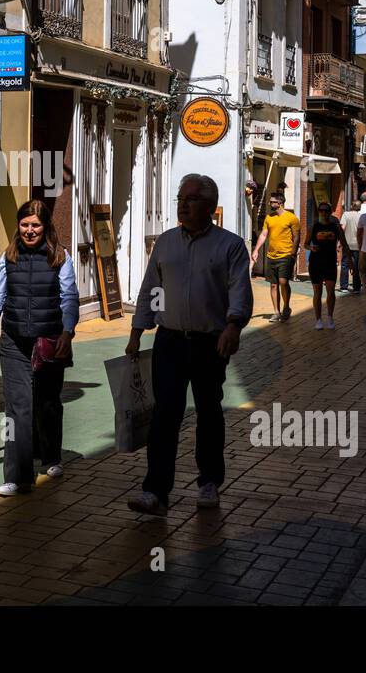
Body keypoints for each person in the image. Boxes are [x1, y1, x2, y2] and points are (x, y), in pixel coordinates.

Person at [125, 175, 253, 516]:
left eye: (192, 199)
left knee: (209, 412)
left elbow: (240, 288)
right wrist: (138, 330)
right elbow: (152, 288)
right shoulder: (165, 243)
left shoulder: (230, 245)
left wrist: (233, 325)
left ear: (210, 207)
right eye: (181, 198)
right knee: (165, 415)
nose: (184, 204)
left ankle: (209, 480)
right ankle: (156, 491)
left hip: (210, 343)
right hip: (169, 342)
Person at [0, 199, 80, 497]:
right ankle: (19, 476)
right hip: (14, 343)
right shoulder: (8, 258)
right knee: (18, 406)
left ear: (45, 227)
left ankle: (51, 456)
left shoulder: (60, 258)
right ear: (18, 227)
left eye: (35, 225)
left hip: (49, 342)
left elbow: (69, 297)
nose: (30, 230)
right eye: (24, 225)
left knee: (47, 402)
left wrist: (67, 333)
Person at [251, 192, 301, 322]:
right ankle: (277, 312)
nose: (270, 203)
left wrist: (293, 254)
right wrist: (256, 250)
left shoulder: (291, 218)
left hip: (286, 255)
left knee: (283, 282)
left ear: (279, 203)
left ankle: (286, 307)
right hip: (271, 256)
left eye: (272, 201)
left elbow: (296, 237)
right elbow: (263, 234)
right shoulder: (269, 218)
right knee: (273, 285)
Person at [304, 201, 348, 329]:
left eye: (326, 210)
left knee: (330, 291)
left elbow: (344, 243)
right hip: (316, 262)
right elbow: (305, 243)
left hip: (330, 262)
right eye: (321, 210)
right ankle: (318, 319)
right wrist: (311, 247)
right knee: (317, 292)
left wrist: (349, 259)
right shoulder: (313, 227)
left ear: (330, 212)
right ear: (319, 212)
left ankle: (330, 317)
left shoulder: (335, 227)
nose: (323, 213)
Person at [338, 201, 362, 293]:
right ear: (359, 208)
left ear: (352, 206)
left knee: (344, 265)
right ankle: (356, 288)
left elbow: (342, 228)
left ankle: (344, 286)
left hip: (347, 244)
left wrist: (339, 241)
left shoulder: (346, 215)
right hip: (358, 245)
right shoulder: (361, 217)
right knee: (357, 266)